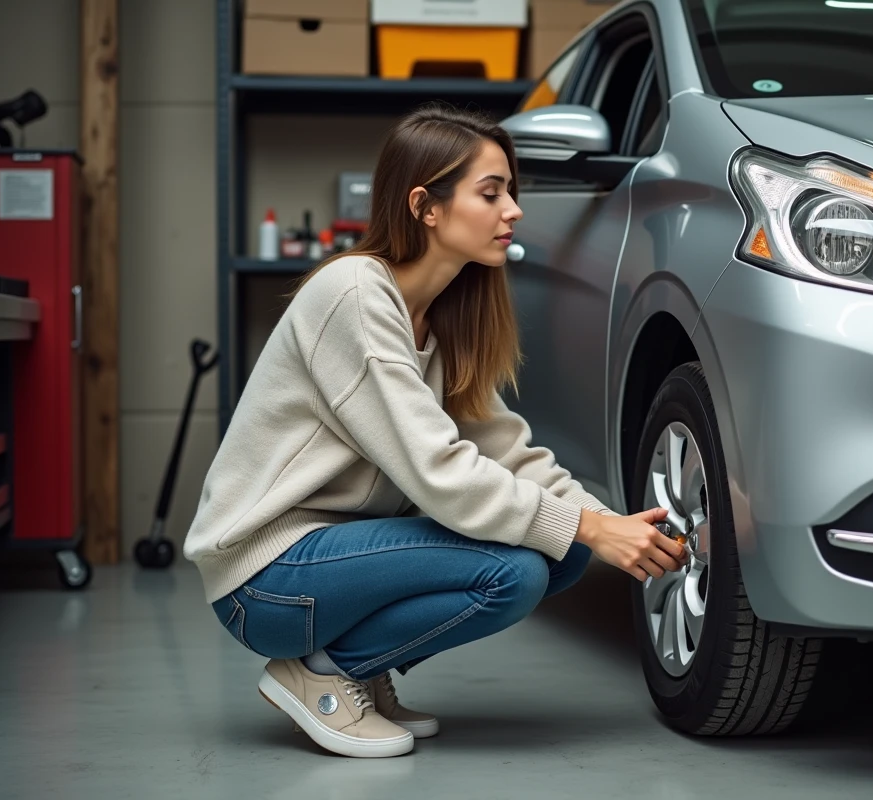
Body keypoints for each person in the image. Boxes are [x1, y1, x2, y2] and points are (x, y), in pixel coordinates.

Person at [182, 104, 688, 759]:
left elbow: (511, 453)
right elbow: (437, 470)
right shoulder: (355, 293)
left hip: (336, 554)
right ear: (425, 206)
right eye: (491, 192)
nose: (513, 210)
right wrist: (590, 527)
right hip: (266, 578)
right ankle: (323, 676)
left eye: (511, 191)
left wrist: (611, 526)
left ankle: (354, 668)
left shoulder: (443, 319)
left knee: (562, 551)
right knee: (514, 572)